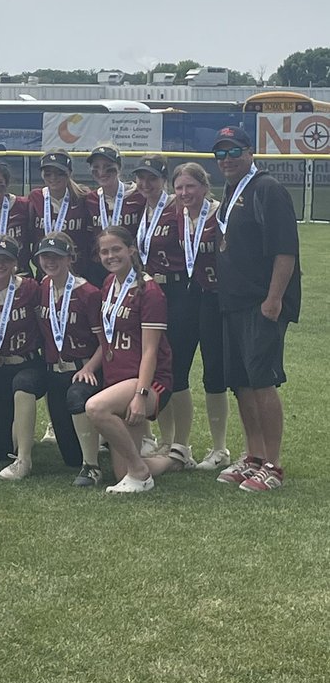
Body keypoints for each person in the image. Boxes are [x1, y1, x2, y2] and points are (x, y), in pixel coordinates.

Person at [210, 126, 300, 492]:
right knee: (241, 383)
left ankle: (274, 465)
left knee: (262, 382)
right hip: (232, 302)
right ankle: (254, 456)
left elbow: (285, 250)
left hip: (260, 303)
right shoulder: (233, 190)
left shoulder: (267, 189)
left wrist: (274, 299)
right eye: (220, 154)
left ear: (249, 151)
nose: (227, 160)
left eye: (233, 151)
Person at [84, 225, 174, 494]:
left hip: (149, 383)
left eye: (116, 249)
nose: (110, 256)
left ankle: (141, 472)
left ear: (131, 250)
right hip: (119, 378)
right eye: (104, 251)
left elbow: (150, 352)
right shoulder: (110, 284)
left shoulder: (149, 291)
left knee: (95, 408)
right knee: (120, 472)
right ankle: (170, 461)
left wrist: (140, 395)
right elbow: (109, 336)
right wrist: (91, 365)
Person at [131, 155, 193, 464]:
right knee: (161, 370)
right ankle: (166, 440)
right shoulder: (144, 208)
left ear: (163, 180)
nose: (145, 184)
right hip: (153, 292)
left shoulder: (175, 207)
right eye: (141, 177)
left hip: (178, 290)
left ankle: (181, 443)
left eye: (152, 178)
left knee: (177, 370)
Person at [170, 162, 230, 471]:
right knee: (176, 368)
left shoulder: (219, 214)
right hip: (186, 297)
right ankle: (179, 444)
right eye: (179, 187)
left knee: (214, 372)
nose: (184, 193)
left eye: (190, 186)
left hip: (215, 299)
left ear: (204, 187)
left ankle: (219, 448)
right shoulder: (173, 214)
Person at [34, 232, 105, 485]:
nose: (50, 262)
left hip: (82, 368)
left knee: (77, 397)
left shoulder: (88, 292)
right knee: (69, 456)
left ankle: (92, 466)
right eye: (45, 257)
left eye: (56, 257)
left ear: (69, 258)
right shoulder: (42, 287)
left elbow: (104, 341)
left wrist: (90, 367)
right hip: (55, 371)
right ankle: (92, 447)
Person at [0, 236, 45, 479]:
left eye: (6, 260)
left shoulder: (31, 288)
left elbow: (45, 323)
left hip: (26, 363)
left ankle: (24, 457)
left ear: (15, 262)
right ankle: (12, 437)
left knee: (22, 384)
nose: (0, 265)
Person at [83, 145, 143, 287]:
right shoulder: (90, 199)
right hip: (100, 269)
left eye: (108, 166)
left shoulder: (139, 195)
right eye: (96, 167)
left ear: (119, 167)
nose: (102, 171)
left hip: (133, 267)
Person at [27, 151, 91, 272]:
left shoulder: (82, 198)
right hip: (44, 271)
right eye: (48, 174)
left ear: (69, 173)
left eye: (59, 173)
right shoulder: (35, 197)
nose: (53, 178)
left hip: (77, 271)